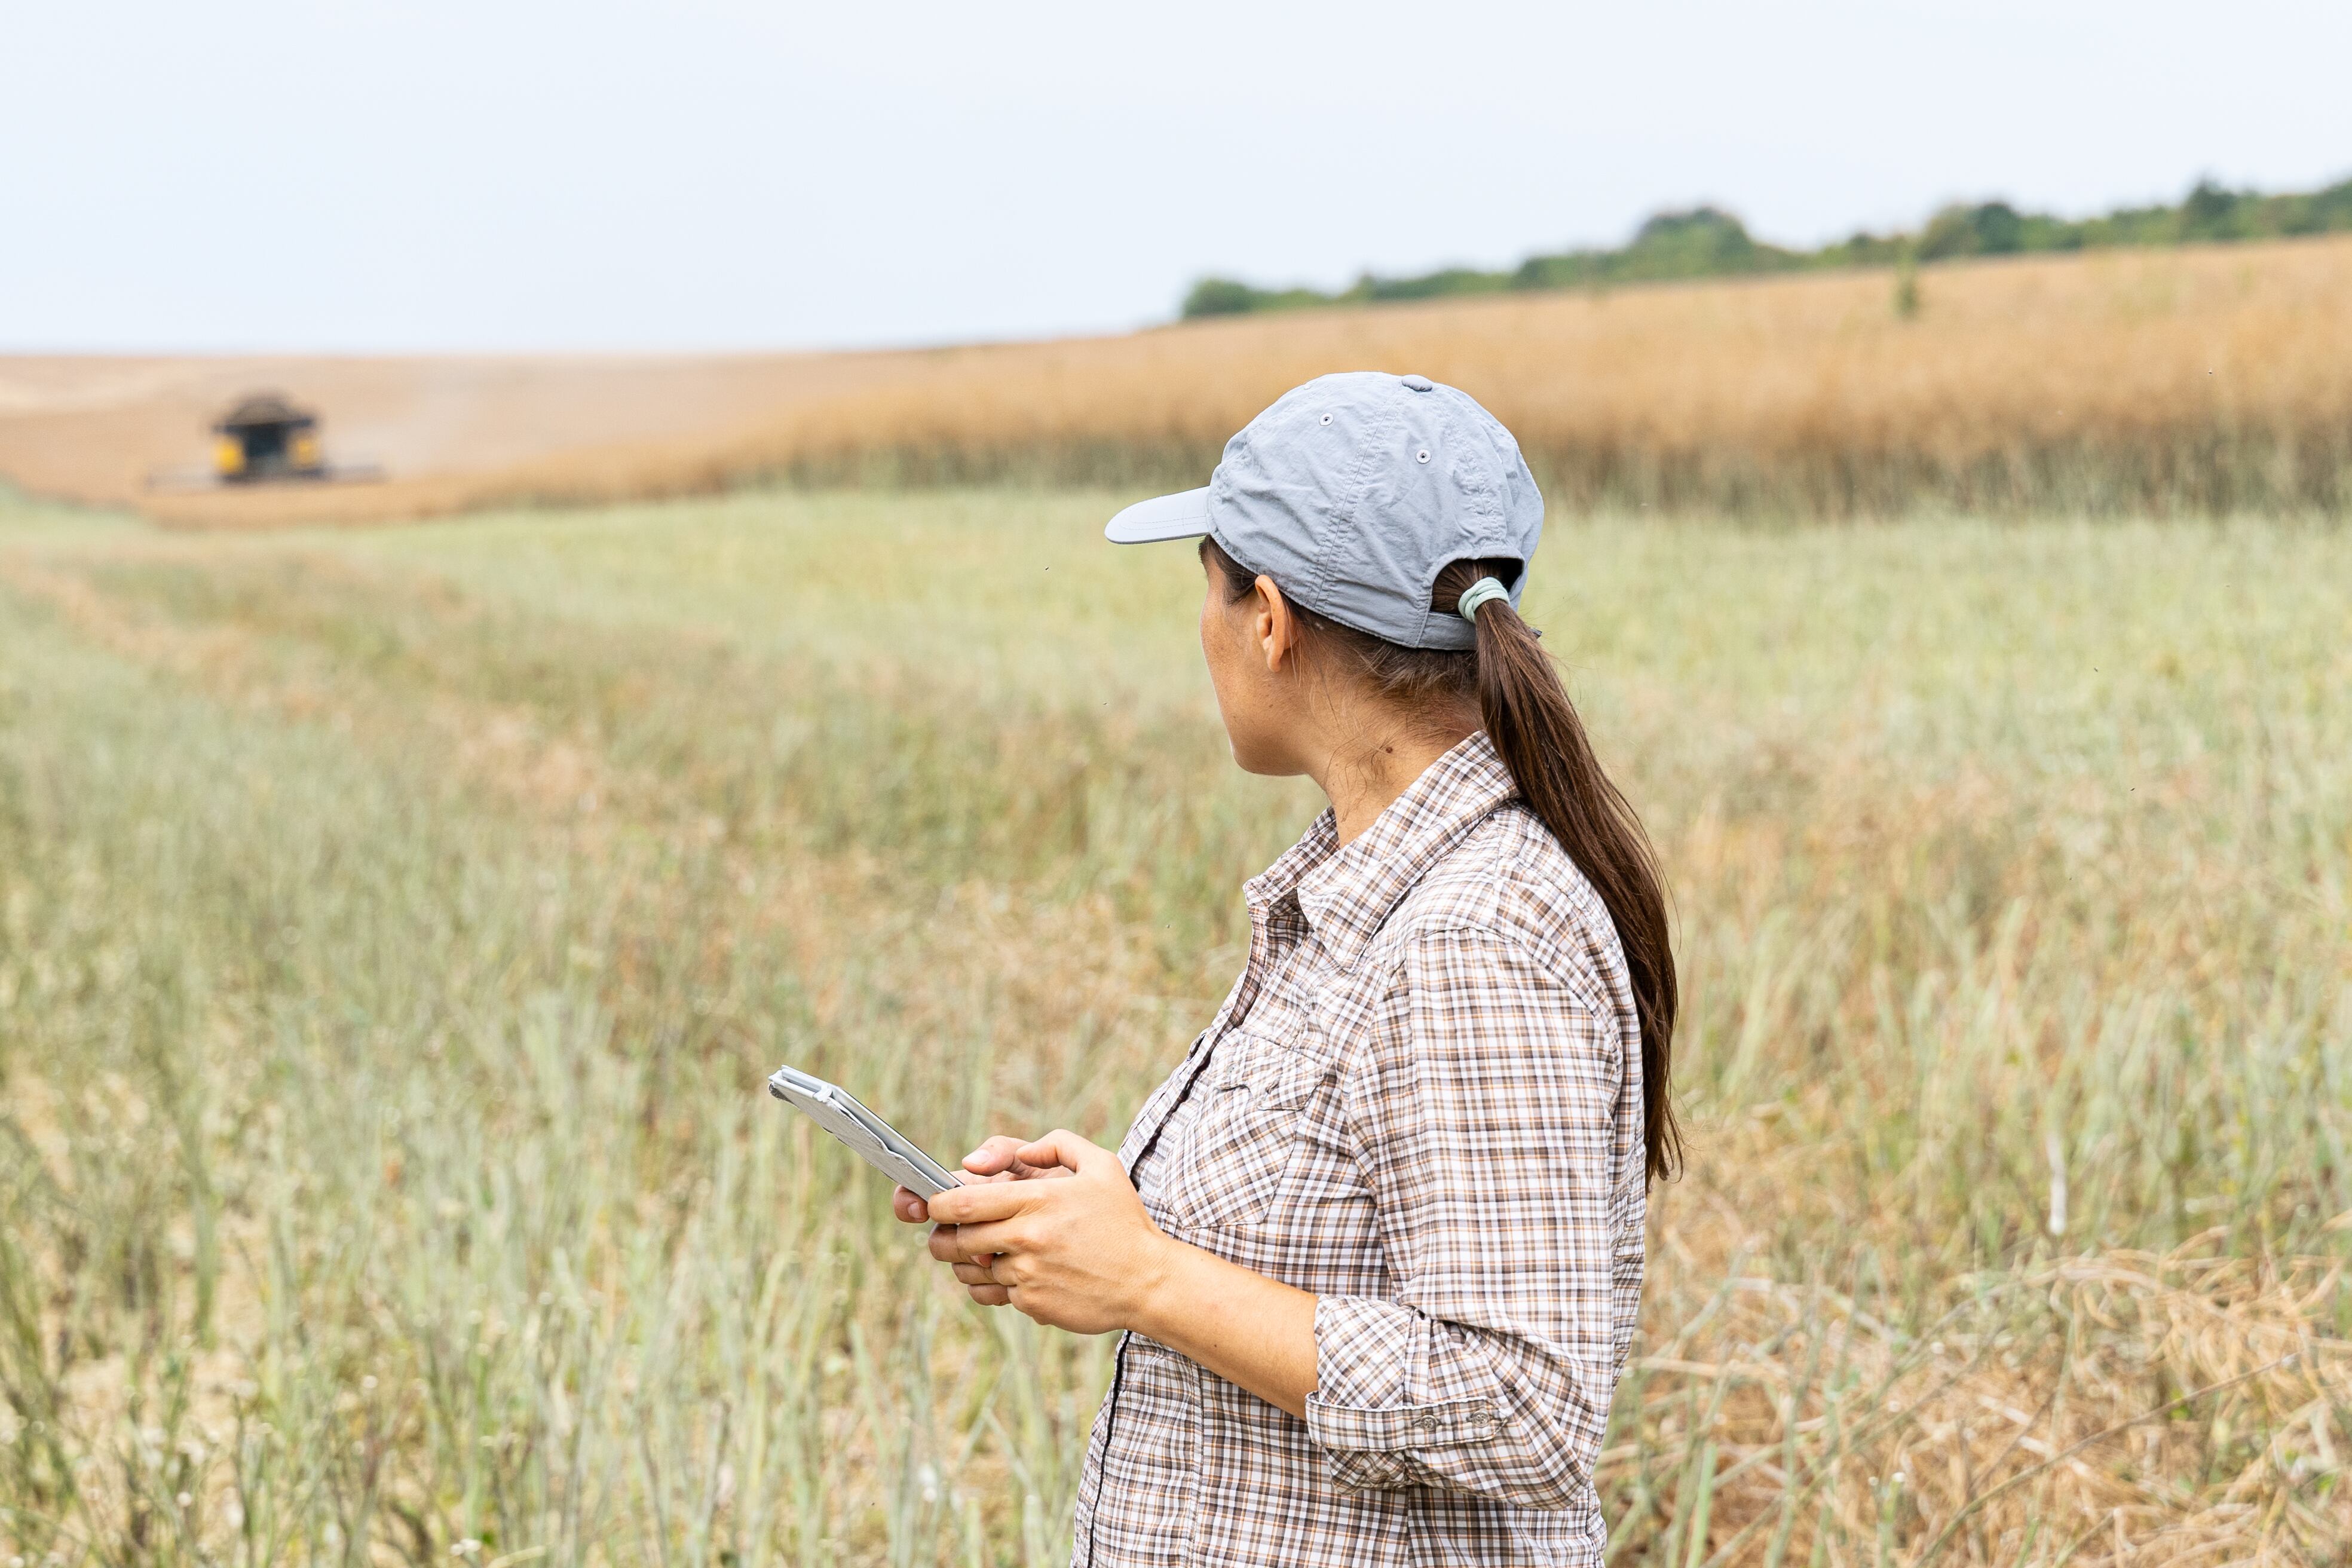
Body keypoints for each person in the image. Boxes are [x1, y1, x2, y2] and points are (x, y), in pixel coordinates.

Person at [892, 371, 1679, 1567]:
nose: (1201, 629)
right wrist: (1096, 1221)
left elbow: (1526, 1400)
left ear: (1268, 617)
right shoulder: (1377, 891)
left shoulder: (1468, 937)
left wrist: (1148, 1276)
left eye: (1206, 589)